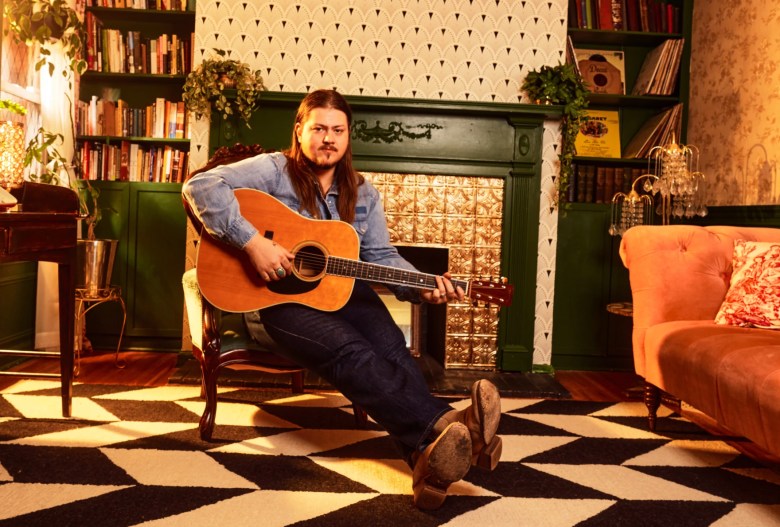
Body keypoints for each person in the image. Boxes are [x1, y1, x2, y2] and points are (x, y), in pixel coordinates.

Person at [182, 89, 502, 510]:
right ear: (300, 130)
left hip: (341, 293)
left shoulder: (363, 192)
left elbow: (382, 257)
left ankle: (428, 463)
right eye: (319, 129)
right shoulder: (273, 171)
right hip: (275, 303)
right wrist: (254, 243)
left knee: (394, 349)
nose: (328, 139)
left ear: (349, 136)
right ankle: (454, 423)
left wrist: (422, 285)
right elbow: (200, 185)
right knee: (352, 351)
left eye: (338, 130)